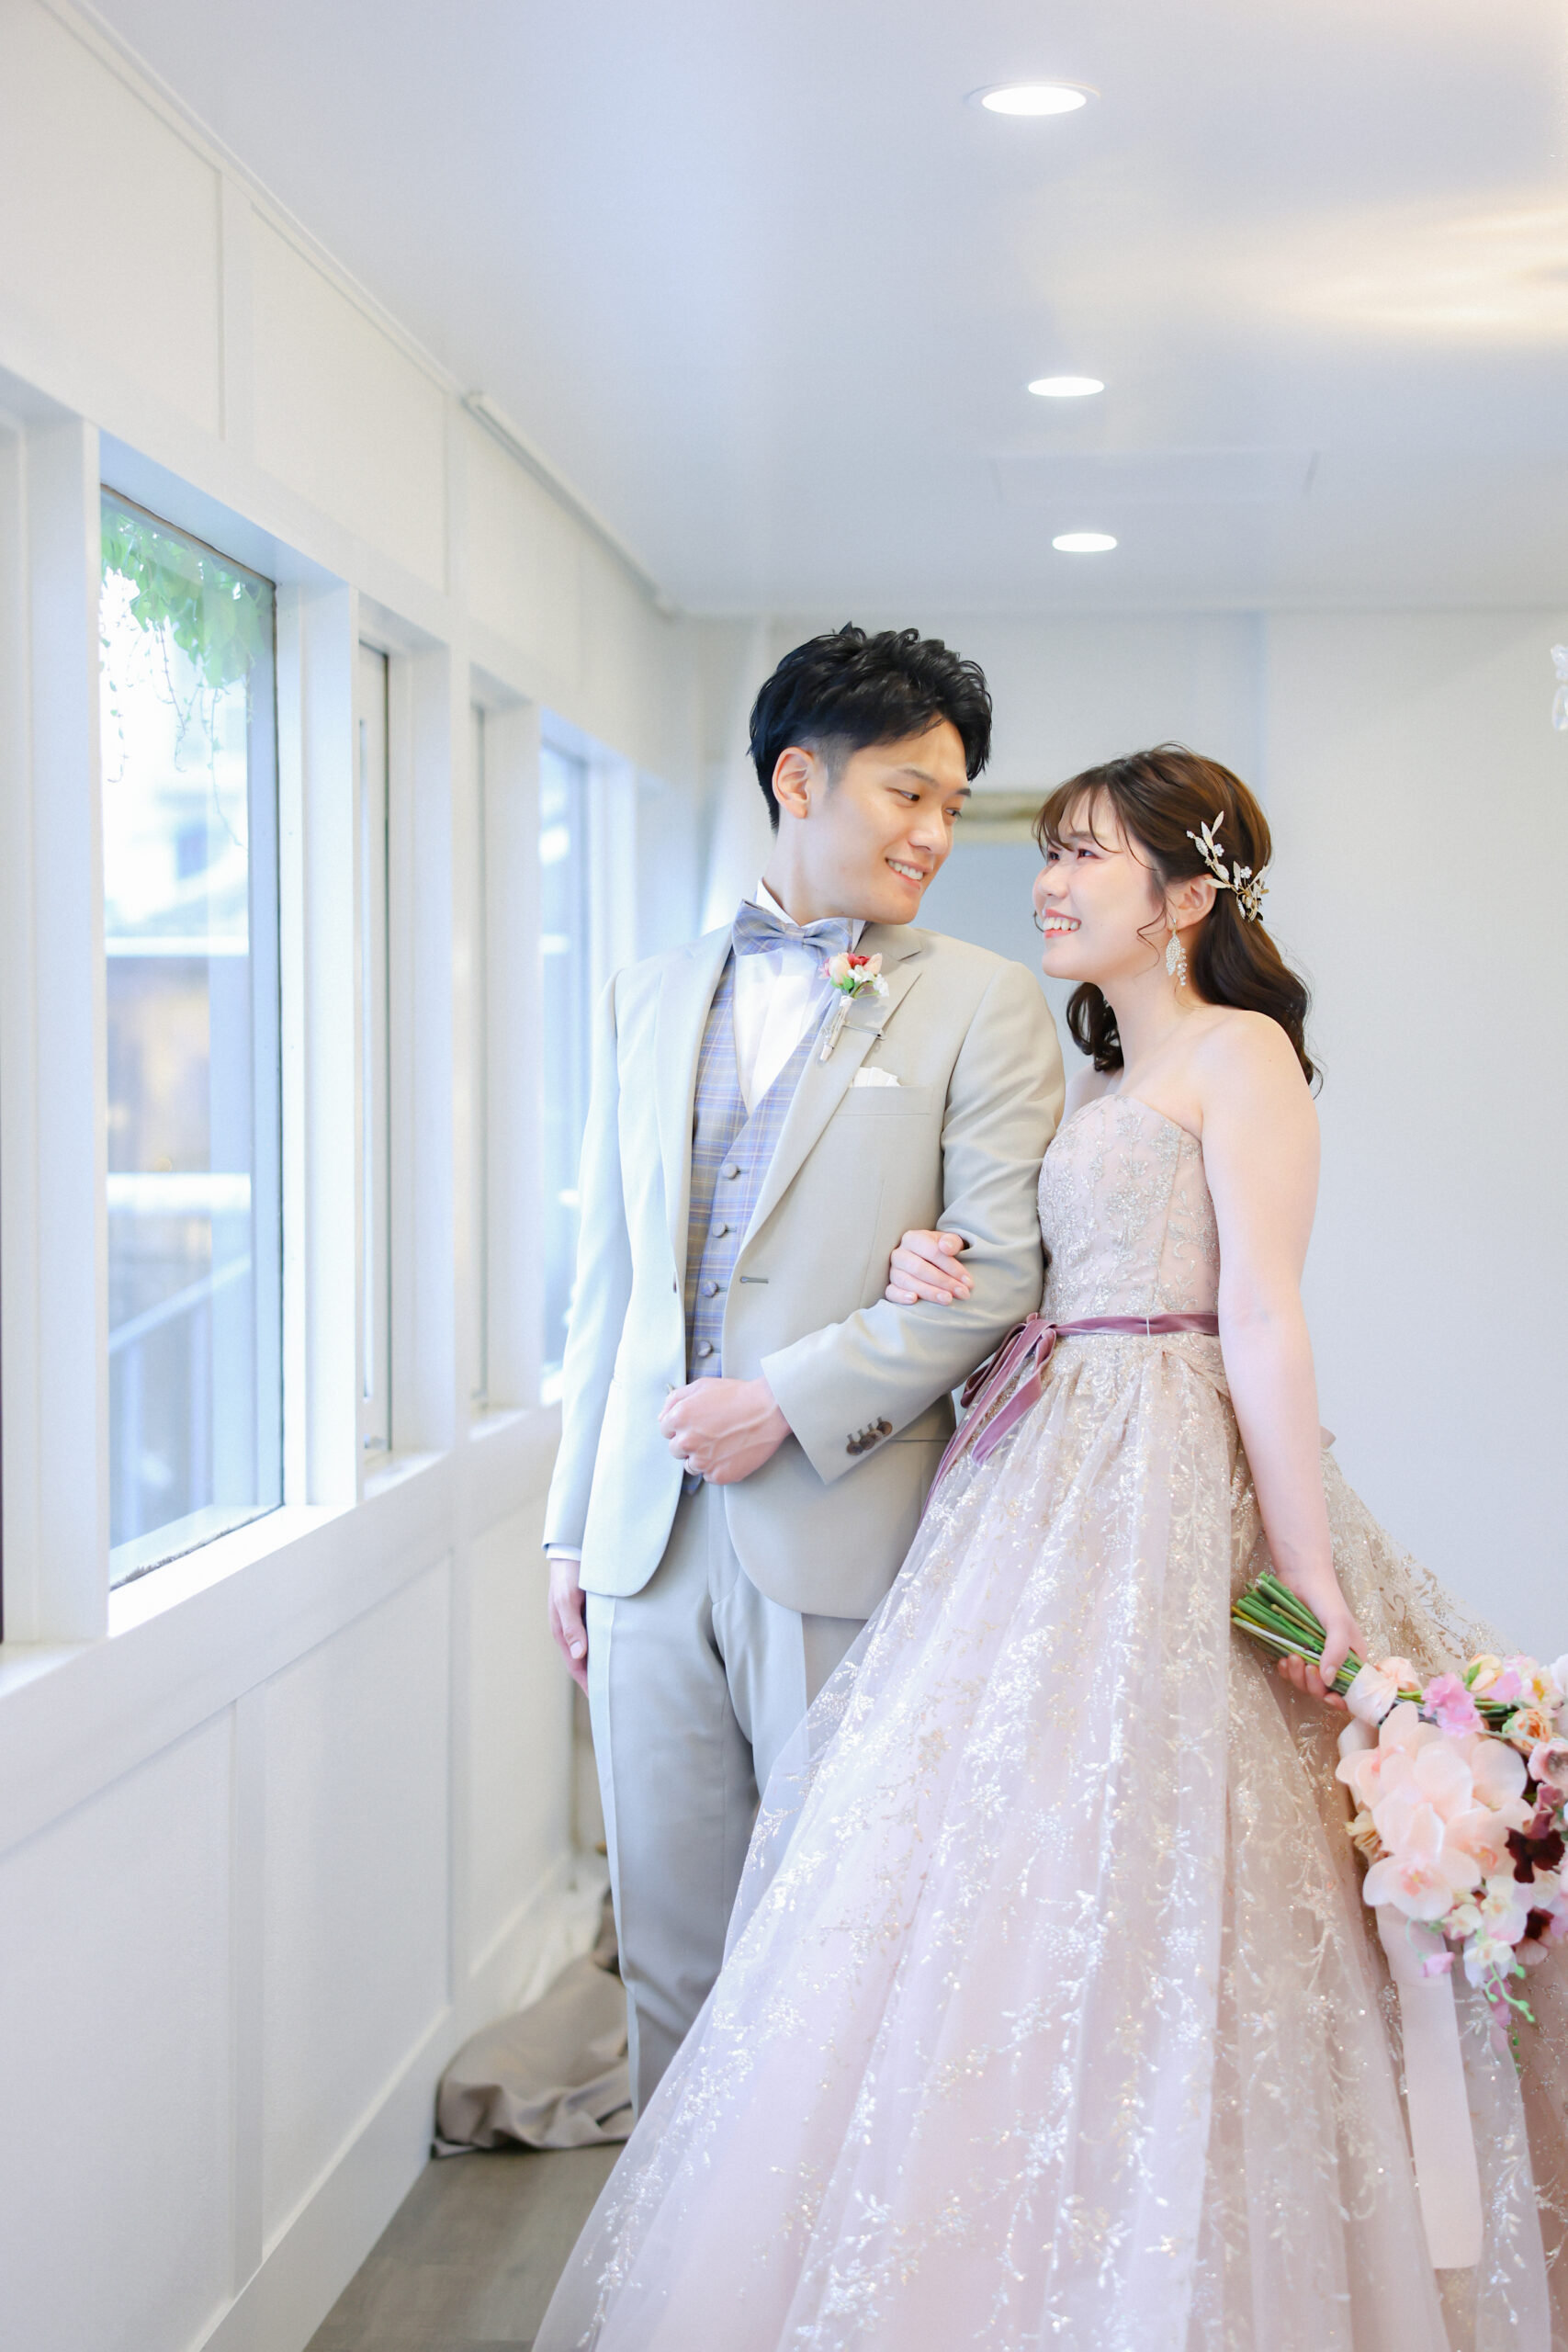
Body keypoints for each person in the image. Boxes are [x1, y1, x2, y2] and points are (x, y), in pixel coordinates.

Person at [537, 745, 1568, 2351]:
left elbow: (1264, 1321)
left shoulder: (1243, 1057)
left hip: (1170, 1474)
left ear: (1186, 897)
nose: (1046, 881)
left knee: (1181, 1857)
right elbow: (1037, 1278)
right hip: (1042, 1466)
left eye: (1085, 855)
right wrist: (936, 1265)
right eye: (1054, 852)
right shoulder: (1093, 1077)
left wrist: (1310, 1586)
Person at [542, 625, 1064, 2113]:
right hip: (643, 1544)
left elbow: (1002, 1271)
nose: (937, 834)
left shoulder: (985, 1003)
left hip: (844, 1526)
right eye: (911, 794)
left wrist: (788, 1399)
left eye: (952, 805)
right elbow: (609, 1286)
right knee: (667, 1952)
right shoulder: (645, 995)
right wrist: (571, 1531)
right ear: (797, 779)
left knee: (837, 1951)